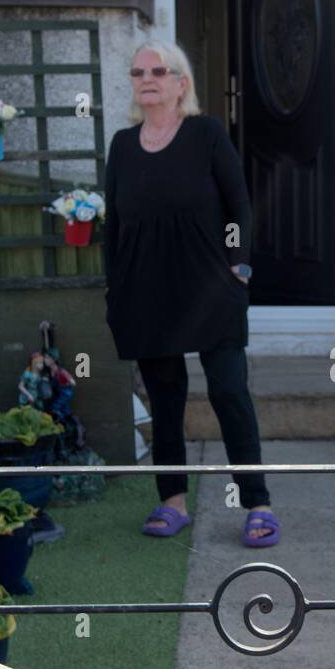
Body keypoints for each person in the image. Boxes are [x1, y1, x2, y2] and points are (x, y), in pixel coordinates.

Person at [102, 40, 279, 546]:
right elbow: (114, 225)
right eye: (138, 72)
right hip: (145, 292)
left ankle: (257, 503)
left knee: (229, 392)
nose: (147, 79)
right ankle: (172, 501)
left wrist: (240, 264)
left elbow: (239, 204)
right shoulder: (122, 144)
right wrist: (114, 286)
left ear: (182, 83)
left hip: (210, 287)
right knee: (165, 400)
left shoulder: (205, 134)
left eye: (159, 70)